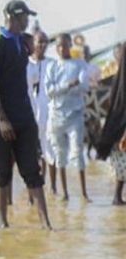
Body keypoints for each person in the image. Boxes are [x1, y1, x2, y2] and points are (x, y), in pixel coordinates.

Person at [0, 0, 52, 229]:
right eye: (25, 18)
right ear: (15, 16)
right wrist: (2, 119)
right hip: (4, 118)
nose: (28, 21)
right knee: (2, 172)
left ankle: (46, 224)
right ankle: (3, 224)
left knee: (32, 170)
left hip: (25, 116)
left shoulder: (22, 42)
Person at [45, 33, 90, 201]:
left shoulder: (80, 64)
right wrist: (68, 85)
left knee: (78, 153)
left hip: (75, 114)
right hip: (56, 116)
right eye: (58, 46)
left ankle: (84, 194)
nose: (62, 49)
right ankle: (64, 193)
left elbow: (84, 86)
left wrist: (62, 89)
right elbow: (49, 91)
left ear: (70, 45)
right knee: (59, 154)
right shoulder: (52, 66)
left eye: (65, 45)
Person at [26, 30, 57, 193]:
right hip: (30, 113)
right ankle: (36, 185)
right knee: (34, 152)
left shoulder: (53, 64)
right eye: (40, 42)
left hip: (49, 113)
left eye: (46, 42)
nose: (43, 45)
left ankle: (52, 187)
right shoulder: (26, 64)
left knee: (51, 150)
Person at [96, 49, 126, 205]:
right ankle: (117, 197)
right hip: (121, 130)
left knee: (121, 168)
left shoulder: (119, 78)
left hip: (117, 127)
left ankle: (117, 197)